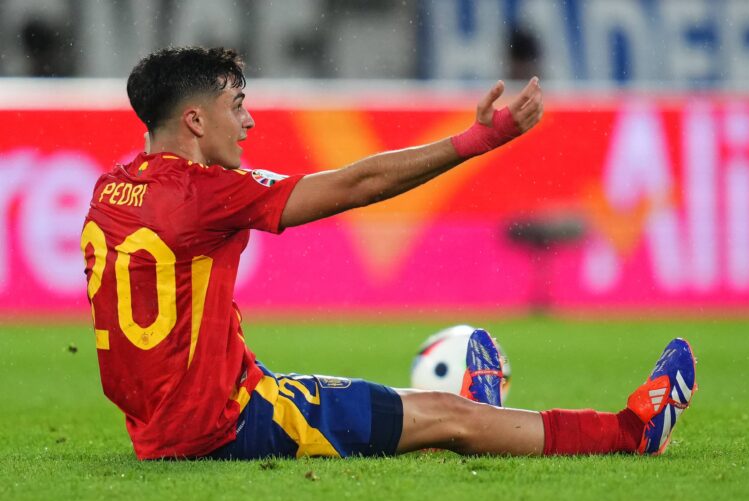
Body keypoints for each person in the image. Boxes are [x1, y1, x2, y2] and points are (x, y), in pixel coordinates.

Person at [80, 47, 696, 461]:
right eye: (236, 106)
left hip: (167, 422)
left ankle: (479, 408)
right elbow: (356, 185)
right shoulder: (205, 193)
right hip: (224, 426)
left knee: (422, 411)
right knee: (451, 419)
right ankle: (630, 433)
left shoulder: (114, 184)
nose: (250, 121)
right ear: (193, 120)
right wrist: (475, 141)